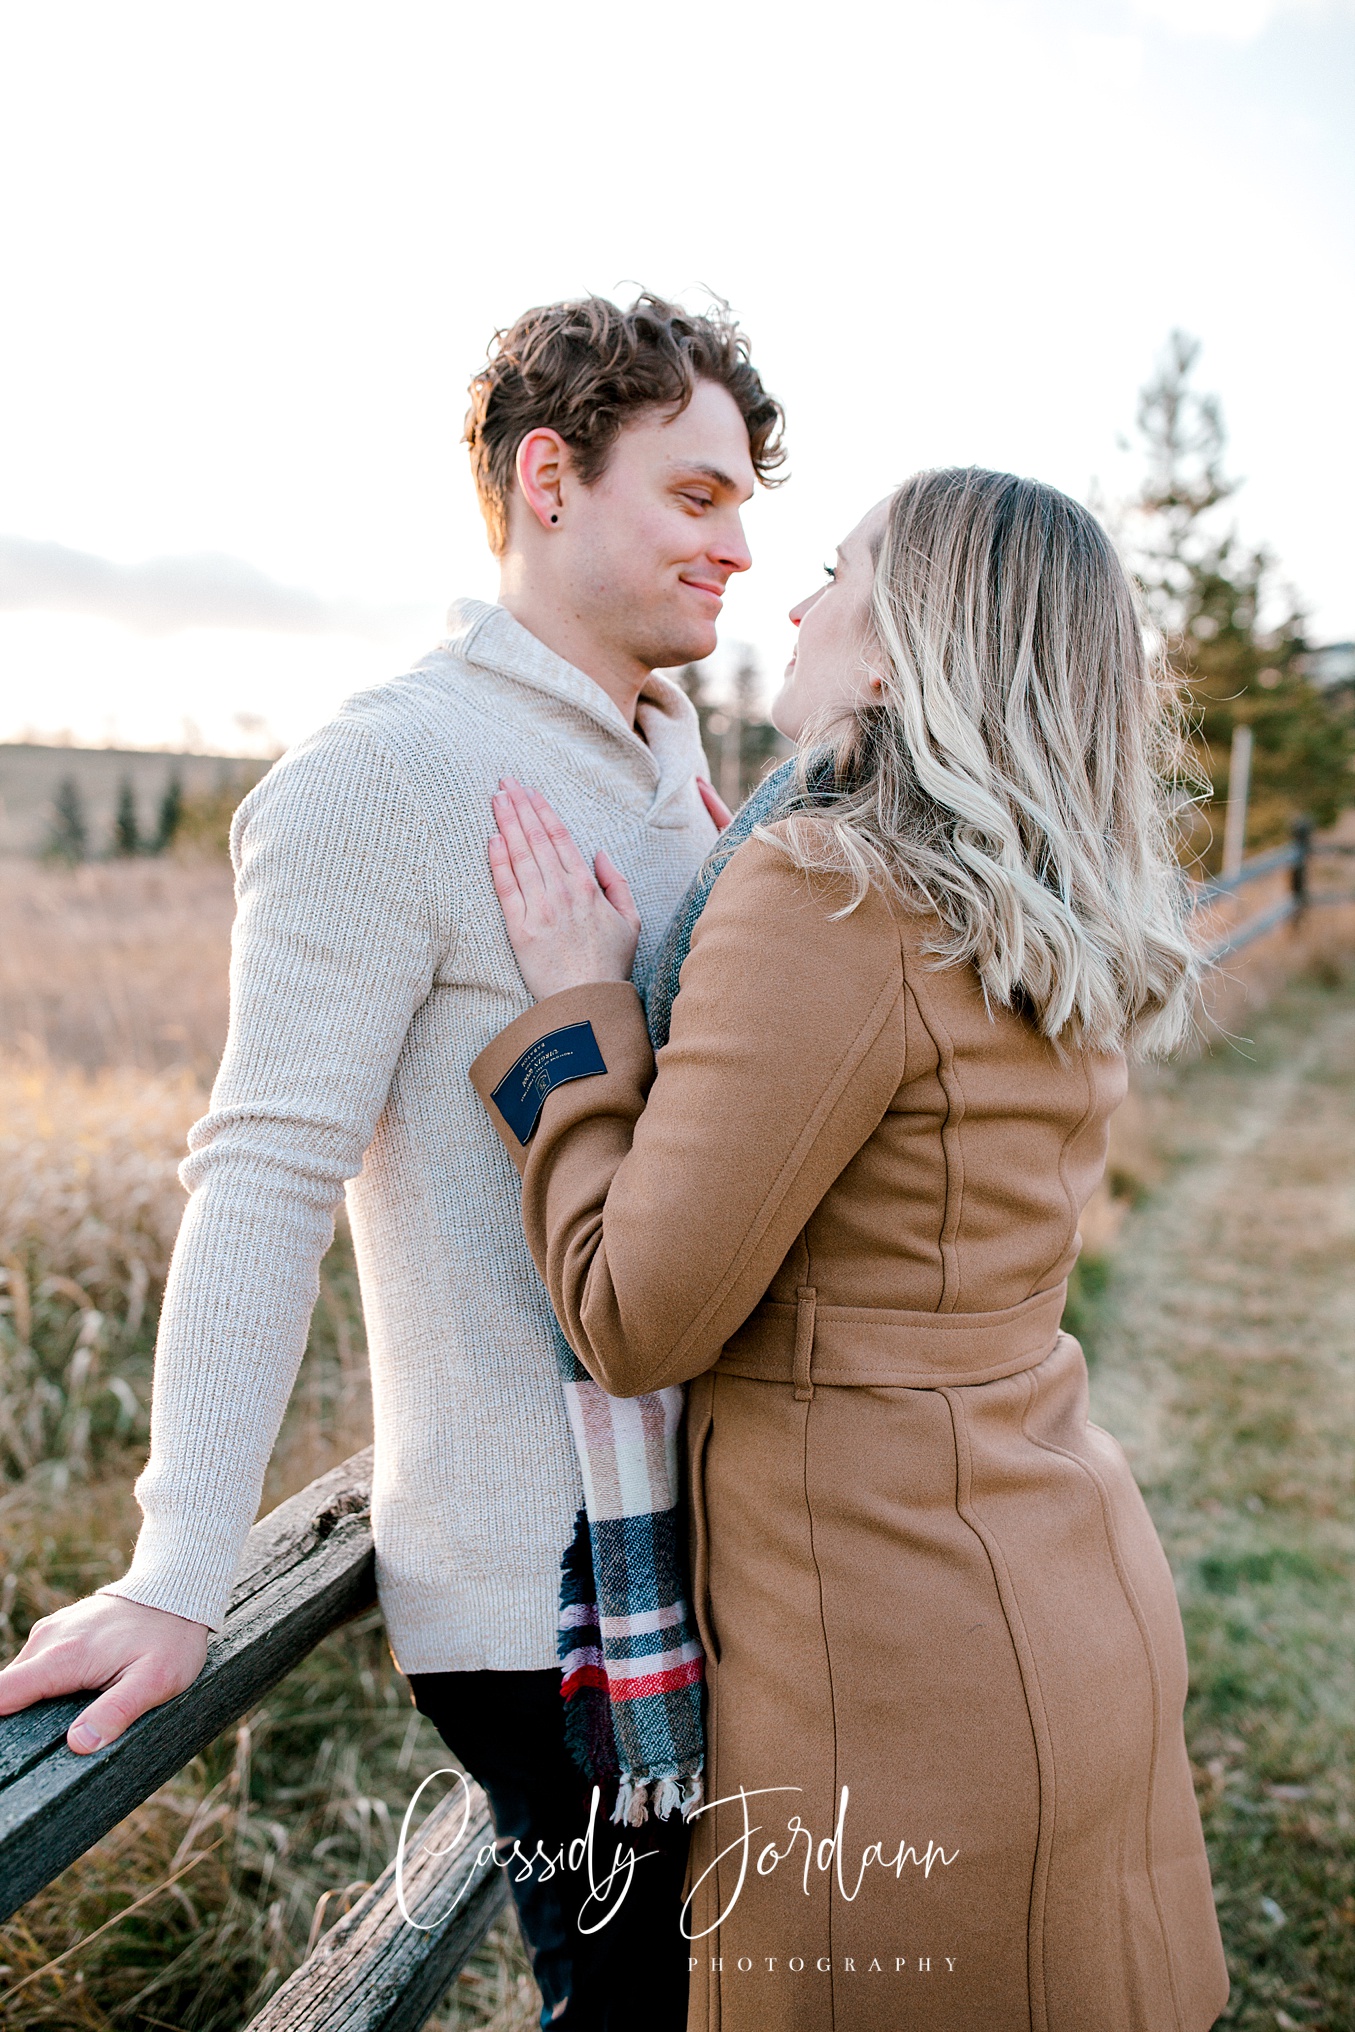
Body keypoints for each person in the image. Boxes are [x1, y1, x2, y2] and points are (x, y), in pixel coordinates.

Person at [0, 292, 785, 2029]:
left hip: (726, 1550)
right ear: (549, 475)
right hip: (551, 1588)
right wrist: (175, 1566)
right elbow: (264, 1173)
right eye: (699, 495)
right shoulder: (382, 775)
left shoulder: (671, 771)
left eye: (746, 503)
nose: (740, 546)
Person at [470, 469, 1231, 2031]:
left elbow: (629, 1315)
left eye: (834, 572)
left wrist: (577, 1014)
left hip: (891, 1656)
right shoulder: (1035, 897)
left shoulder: (828, 891)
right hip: (1055, 1584)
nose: (796, 605)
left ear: (902, 651)